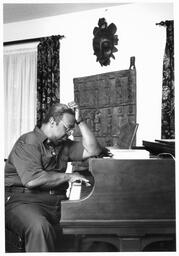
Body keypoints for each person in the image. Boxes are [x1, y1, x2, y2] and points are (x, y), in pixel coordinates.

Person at [5, 101, 102, 252]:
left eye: (72, 128)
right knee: (40, 227)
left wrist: (80, 121)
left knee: (91, 225)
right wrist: (68, 177)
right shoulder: (28, 141)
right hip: (24, 202)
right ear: (52, 121)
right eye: (67, 128)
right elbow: (32, 180)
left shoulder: (64, 144)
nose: (70, 133)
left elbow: (93, 150)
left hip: (56, 203)